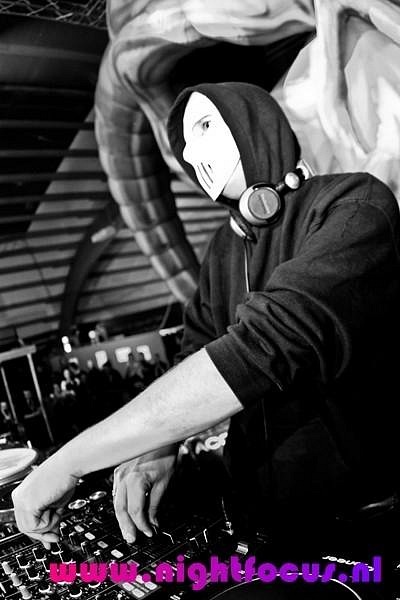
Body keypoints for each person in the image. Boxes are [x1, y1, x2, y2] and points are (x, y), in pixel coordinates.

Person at [12, 82, 400, 548]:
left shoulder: (354, 206)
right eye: (186, 149)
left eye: (204, 126)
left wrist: (69, 461)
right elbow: (194, 350)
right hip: (259, 519)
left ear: (254, 122)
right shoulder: (223, 248)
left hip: (363, 523)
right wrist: (160, 445)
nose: (195, 155)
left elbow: (263, 348)